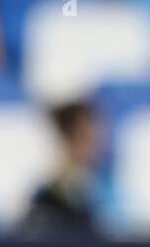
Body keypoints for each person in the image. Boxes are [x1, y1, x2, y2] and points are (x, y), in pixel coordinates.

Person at [21, 100, 102, 236]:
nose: (94, 145)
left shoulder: (103, 186)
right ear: (65, 139)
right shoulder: (48, 198)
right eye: (83, 137)